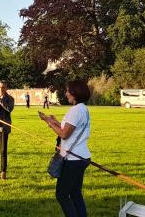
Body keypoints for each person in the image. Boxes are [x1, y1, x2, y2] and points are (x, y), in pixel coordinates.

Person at [39, 80, 91, 217]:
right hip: (82, 157)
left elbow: (64, 134)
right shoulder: (83, 109)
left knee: (61, 195)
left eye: (68, 91)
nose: (66, 93)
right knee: (75, 193)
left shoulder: (75, 110)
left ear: (74, 93)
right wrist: (52, 121)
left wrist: (50, 124)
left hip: (73, 159)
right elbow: (69, 128)